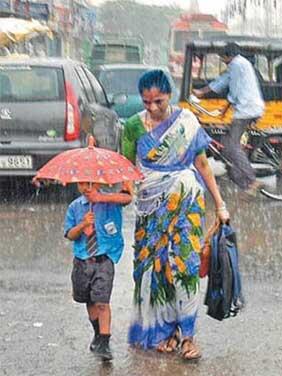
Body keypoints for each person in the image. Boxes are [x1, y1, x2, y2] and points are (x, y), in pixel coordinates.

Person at [122, 69, 229, 360]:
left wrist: (219, 204)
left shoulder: (186, 122)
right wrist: (124, 190)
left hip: (187, 202)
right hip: (149, 207)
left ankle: (188, 337)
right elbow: (126, 169)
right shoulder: (132, 127)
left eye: (159, 101)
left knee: (186, 266)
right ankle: (165, 331)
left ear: (169, 95)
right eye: (147, 102)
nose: (153, 108)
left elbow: (203, 166)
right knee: (156, 270)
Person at [64, 181, 132, 361]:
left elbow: (127, 198)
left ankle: (105, 342)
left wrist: (100, 197)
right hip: (82, 260)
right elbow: (70, 234)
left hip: (104, 259)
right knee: (89, 300)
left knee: (102, 302)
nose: (87, 187)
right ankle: (98, 333)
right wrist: (82, 225)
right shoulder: (75, 207)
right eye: (82, 184)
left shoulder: (110, 202)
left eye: (91, 183)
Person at [193, 42, 265, 197]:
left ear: (228, 55)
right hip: (250, 108)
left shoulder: (237, 65)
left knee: (231, 146)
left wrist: (202, 94)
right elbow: (222, 81)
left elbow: (233, 89)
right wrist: (202, 92)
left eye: (222, 57)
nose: (222, 60)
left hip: (246, 110)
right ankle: (240, 179)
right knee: (227, 145)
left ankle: (251, 180)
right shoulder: (240, 64)